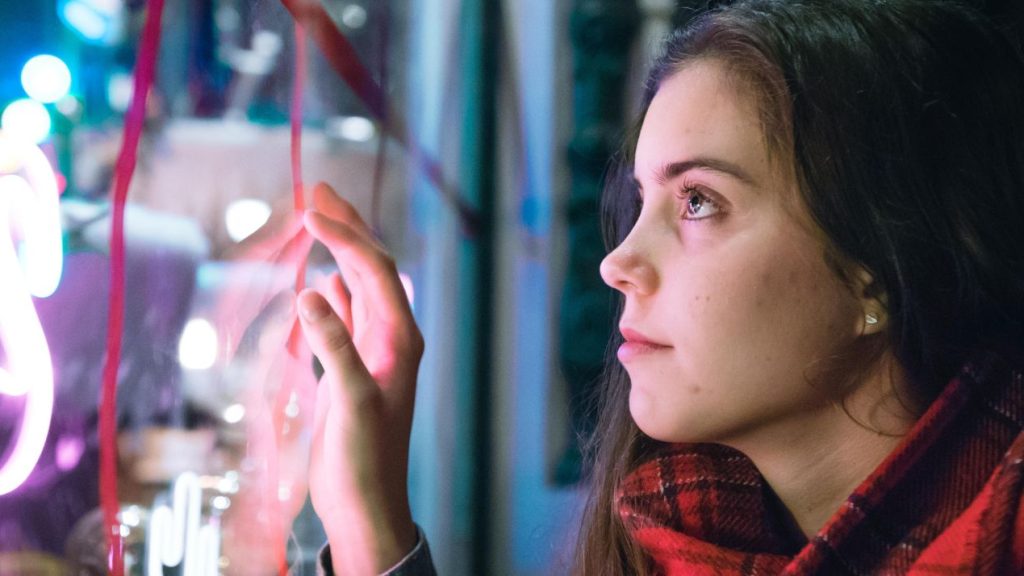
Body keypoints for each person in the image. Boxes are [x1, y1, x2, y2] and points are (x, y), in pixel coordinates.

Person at [296, 0, 1024, 574]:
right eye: (640, 200)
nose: (617, 263)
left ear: (880, 272)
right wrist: (366, 512)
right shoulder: (673, 541)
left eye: (699, 201)